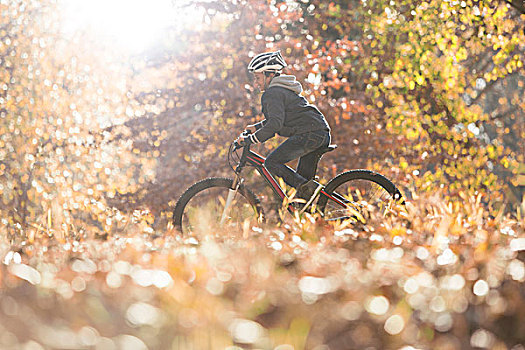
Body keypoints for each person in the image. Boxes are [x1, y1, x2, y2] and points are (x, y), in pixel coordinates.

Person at [236, 50, 332, 199]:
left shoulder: (272, 93)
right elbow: (279, 118)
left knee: (272, 163)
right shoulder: (282, 90)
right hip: (318, 133)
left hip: (309, 134)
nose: (255, 83)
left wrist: (251, 139)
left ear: (270, 75)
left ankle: (312, 193)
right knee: (303, 193)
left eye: (258, 78)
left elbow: (275, 123)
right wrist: (256, 128)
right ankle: (317, 210)